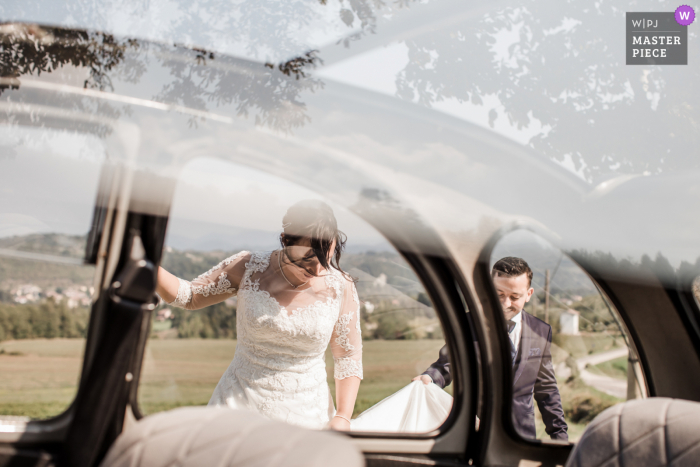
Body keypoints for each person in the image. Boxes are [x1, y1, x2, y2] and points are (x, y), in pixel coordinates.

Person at [156, 200, 362, 431]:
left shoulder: (341, 286)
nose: (315, 270)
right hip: (236, 408)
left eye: (324, 258)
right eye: (305, 259)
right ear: (285, 241)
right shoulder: (248, 267)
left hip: (309, 416)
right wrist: (147, 264)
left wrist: (343, 416)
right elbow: (190, 296)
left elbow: (348, 357)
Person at [413, 256, 568, 440]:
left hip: (522, 438)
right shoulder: (467, 325)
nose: (505, 304)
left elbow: (547, 390)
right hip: (476, 436)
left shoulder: (541, 331)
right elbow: (447, 365)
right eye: (499, 294)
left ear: (529, 294)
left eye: (514, 297)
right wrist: (430, 378)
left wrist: (560, 437)